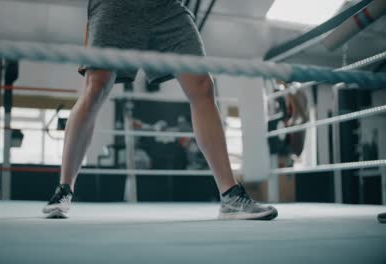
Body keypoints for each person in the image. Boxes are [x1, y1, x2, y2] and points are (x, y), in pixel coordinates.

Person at [43, 0, 278, 220]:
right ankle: (64, 189)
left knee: (203, 85)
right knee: (96, 87)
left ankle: (230, 197)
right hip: (114, 6)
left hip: (166, 8)